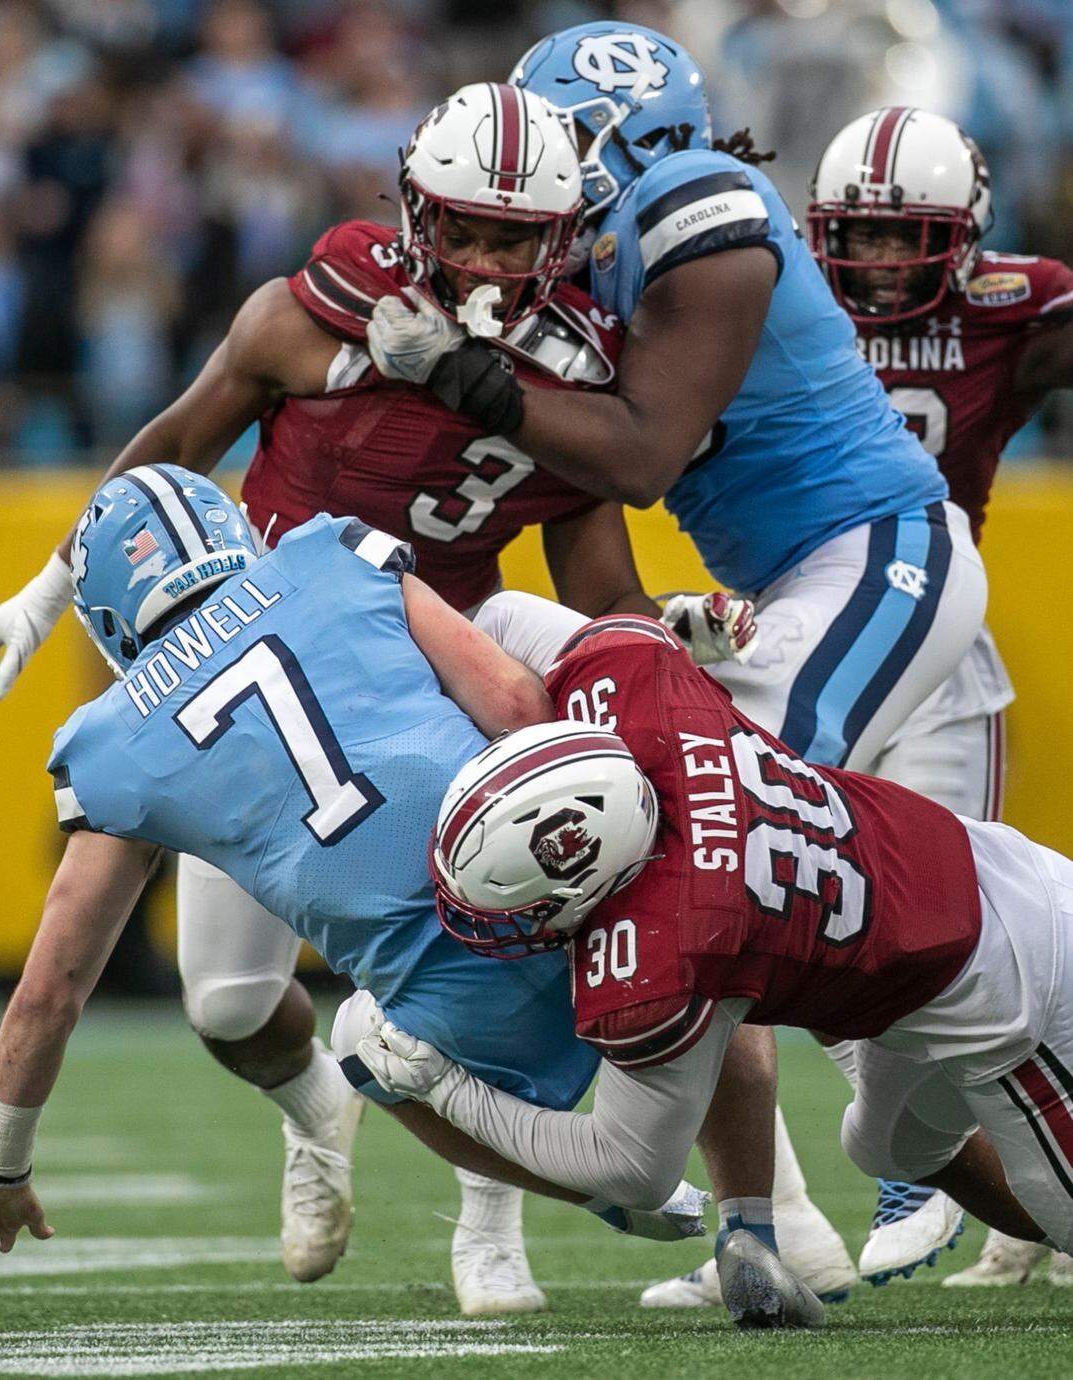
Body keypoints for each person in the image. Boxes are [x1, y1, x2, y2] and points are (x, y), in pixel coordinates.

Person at [0, 82, 759, 1314]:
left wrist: (663, 631)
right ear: (414, 213)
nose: (488, 259)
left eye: (513, 235)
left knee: (536, 875)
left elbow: (602, 583)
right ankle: (316, 1113)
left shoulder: (573, 377)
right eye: (467, 229)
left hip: (443, 646)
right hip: (268, 652)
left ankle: (533, 1221)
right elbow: (168, 456)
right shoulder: (306, 315)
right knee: (225, 1004)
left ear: (564, 238)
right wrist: (44, 591)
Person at [362, 22, 988, 1293]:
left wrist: (468, 376)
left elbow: (640, 454)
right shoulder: (588, 244)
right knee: (622, 796)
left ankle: (820, 1187)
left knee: (709, 843)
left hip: (875, 556)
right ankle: (774, 1224)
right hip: (781, 585)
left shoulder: (704, 206)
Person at [0, 469, 725, 1282]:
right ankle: (763, 1222)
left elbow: (50, 990)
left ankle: (609, 1196)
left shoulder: (113, 745)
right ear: (231, 532)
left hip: (459, 1010)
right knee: (712, 916)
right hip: (597, 902)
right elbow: (520, 706)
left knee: (365, 1040)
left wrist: (1, 1169)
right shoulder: (332, 551)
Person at [348, 602, 1073, 1316]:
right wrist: (542, 750)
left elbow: (629, 1169)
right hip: (966, 893)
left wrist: (442, 1086)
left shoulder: (670, 937)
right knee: (885, 1147)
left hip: (1011, 987)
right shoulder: (636, 690)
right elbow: (503, 617)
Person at [808, 106, 1073, 1286]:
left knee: (959, 930)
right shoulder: (776, 308)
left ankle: (965, 1188)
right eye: (854, 239)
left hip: (938, 638)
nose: (875, 264)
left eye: (901, 236)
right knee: (821, 925)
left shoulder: (1015, 306)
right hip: (817, 630)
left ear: (964, 235)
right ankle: (869, 1194)